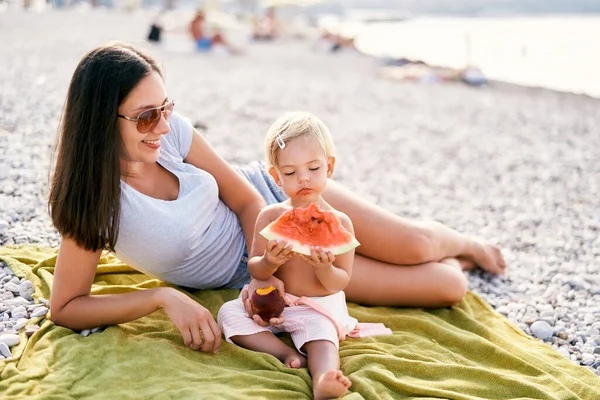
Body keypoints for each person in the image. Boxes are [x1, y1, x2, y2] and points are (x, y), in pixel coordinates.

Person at [48, 42, 506, 356]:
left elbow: (248, 201)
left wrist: (260, 274)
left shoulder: (173, 135)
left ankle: (466, 244)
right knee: (446, 288)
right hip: (276, 264)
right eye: (147, 117)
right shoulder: (96, 202)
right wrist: (162, 298)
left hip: (277, 203)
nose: (164, 126)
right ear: (99, 121)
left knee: (416, 245)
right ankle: (458, 264)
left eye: (166, 108)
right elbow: (66, 307)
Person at [218, 112, 386, 399]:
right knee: (228, 314)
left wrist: (324, 269)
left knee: (323, 337)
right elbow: (256, 270)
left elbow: (340, 282)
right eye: (291, 173)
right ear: (275, 177)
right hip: (274, 305)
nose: (304, 178)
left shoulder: (341, 223)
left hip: (317, 308)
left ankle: (323, 379)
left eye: (313, 168)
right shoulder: (270, 217)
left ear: (329, 167)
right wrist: (269, 262)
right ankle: (285, 353)